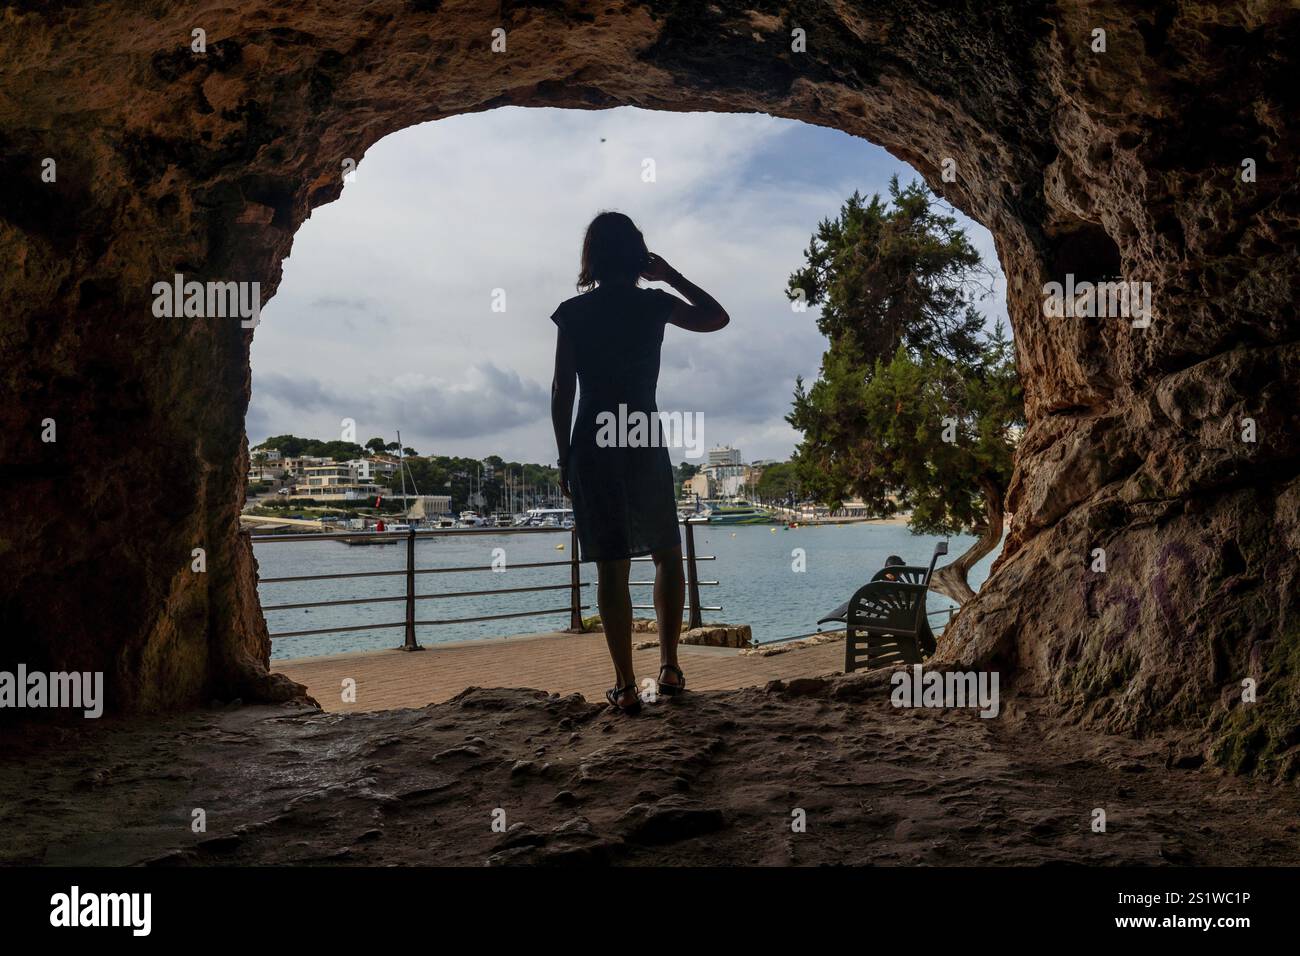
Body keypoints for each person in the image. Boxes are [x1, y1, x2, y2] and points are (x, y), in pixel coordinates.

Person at [550, 211, 729, 714]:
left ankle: (625, 685)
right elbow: (717, 317)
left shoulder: (573, 313)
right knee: (667, 553)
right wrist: (670, 274)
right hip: (643, 436)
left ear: (591, 257)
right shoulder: (654, 304)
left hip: (593, 441)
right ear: (638, 254)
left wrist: (564, 456)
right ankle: (670, 667)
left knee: (611, 564)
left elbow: (563, 390)